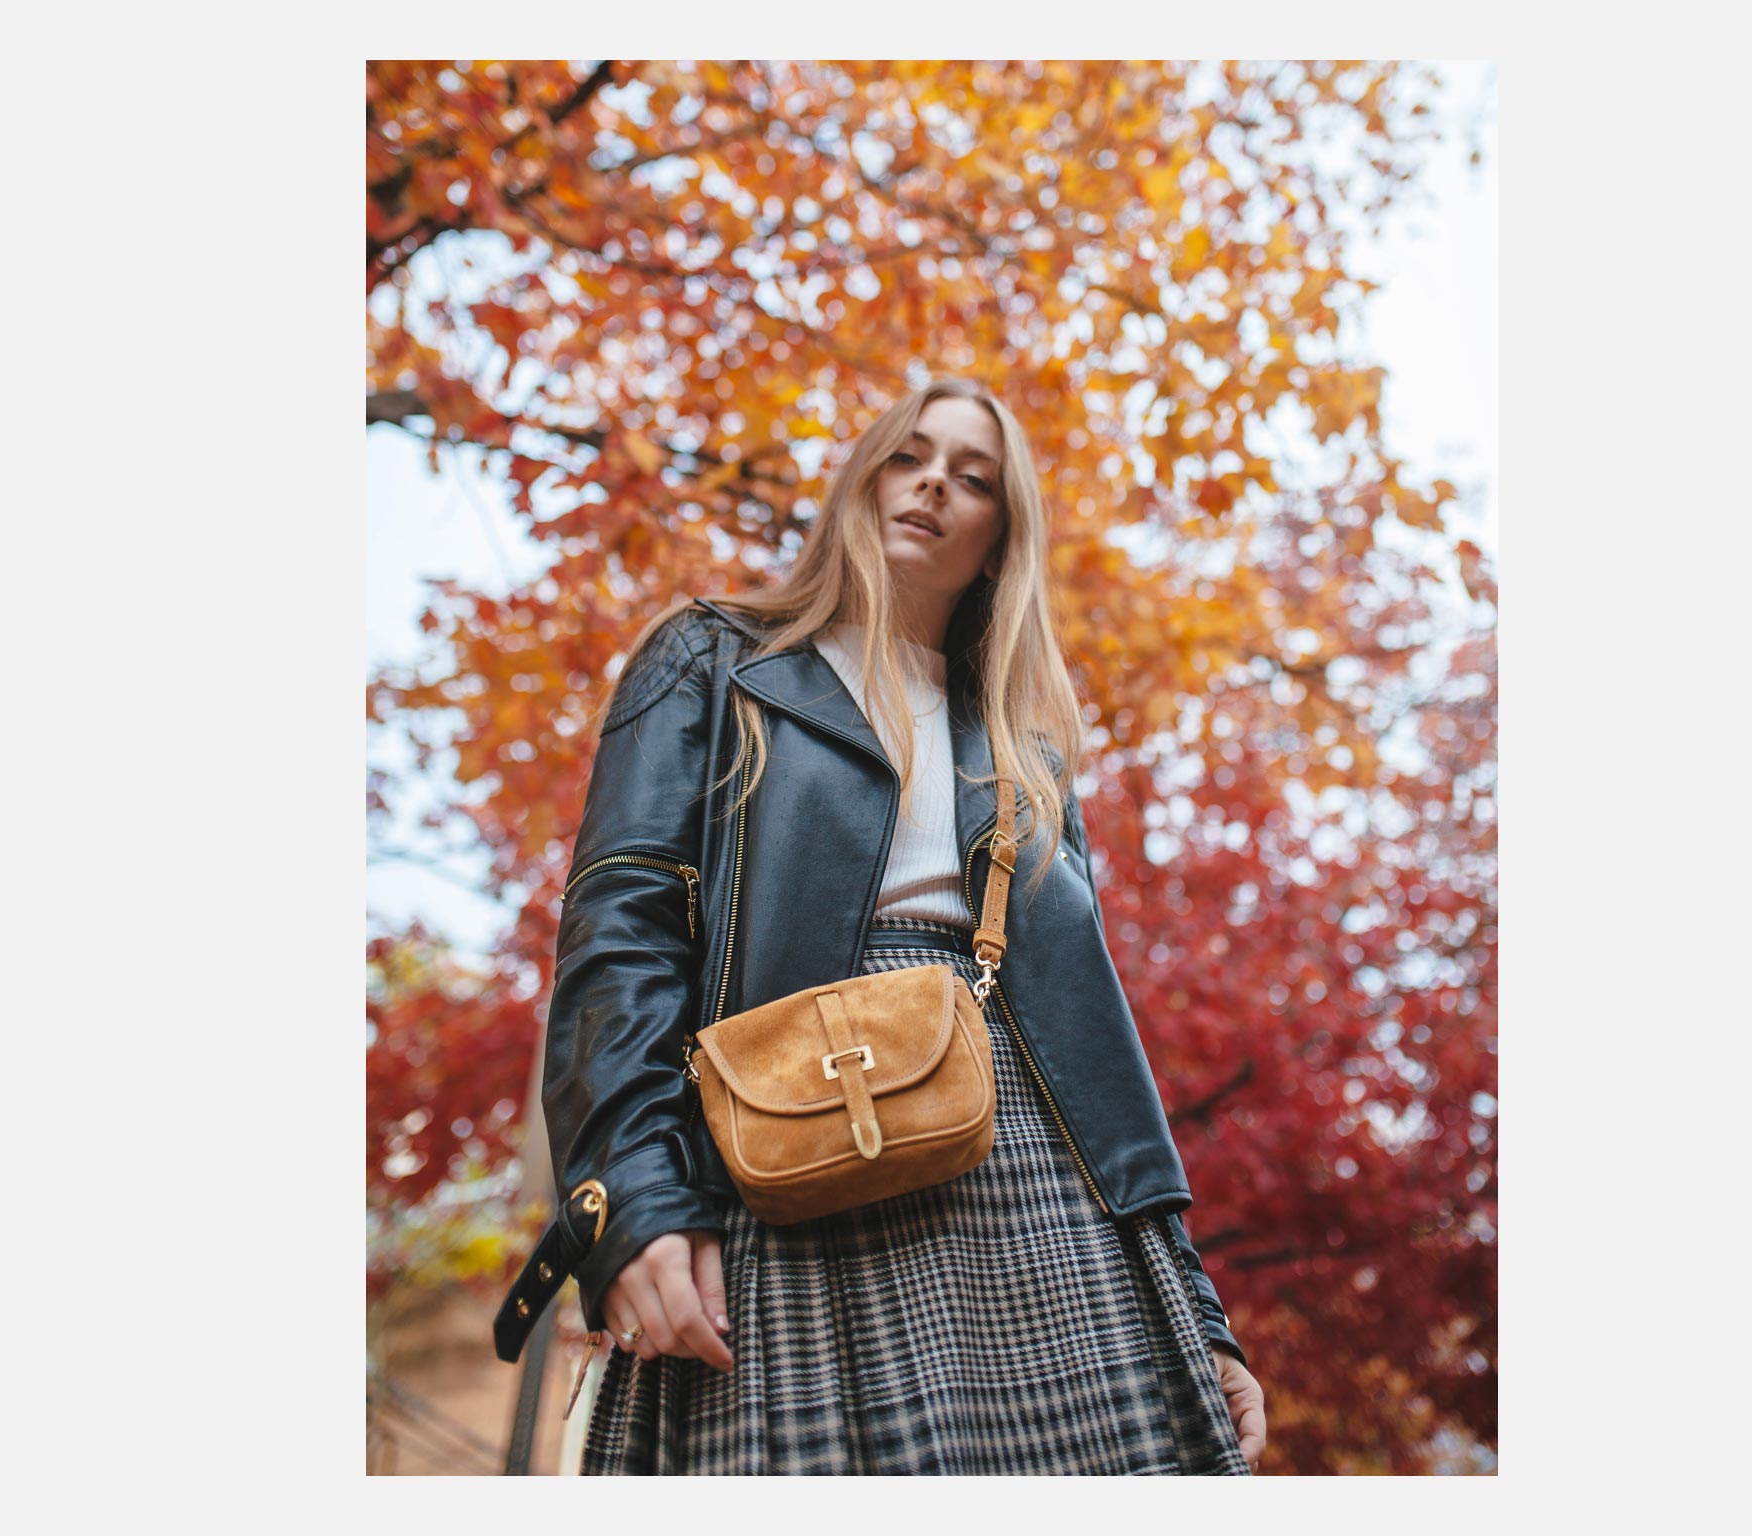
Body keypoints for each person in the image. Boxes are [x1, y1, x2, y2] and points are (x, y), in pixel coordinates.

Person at [501, 377, 1267, 1474]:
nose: (933, 486)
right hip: (777, 1131)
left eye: (973, 478)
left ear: (1002, 537)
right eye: (908, 457)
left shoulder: (1027, 746)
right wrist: (633, 1194)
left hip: (1029, 1153)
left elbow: (1093, 1040)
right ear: (861, 479)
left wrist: (1192, 1308)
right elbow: (621, 933)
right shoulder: (712, 659)